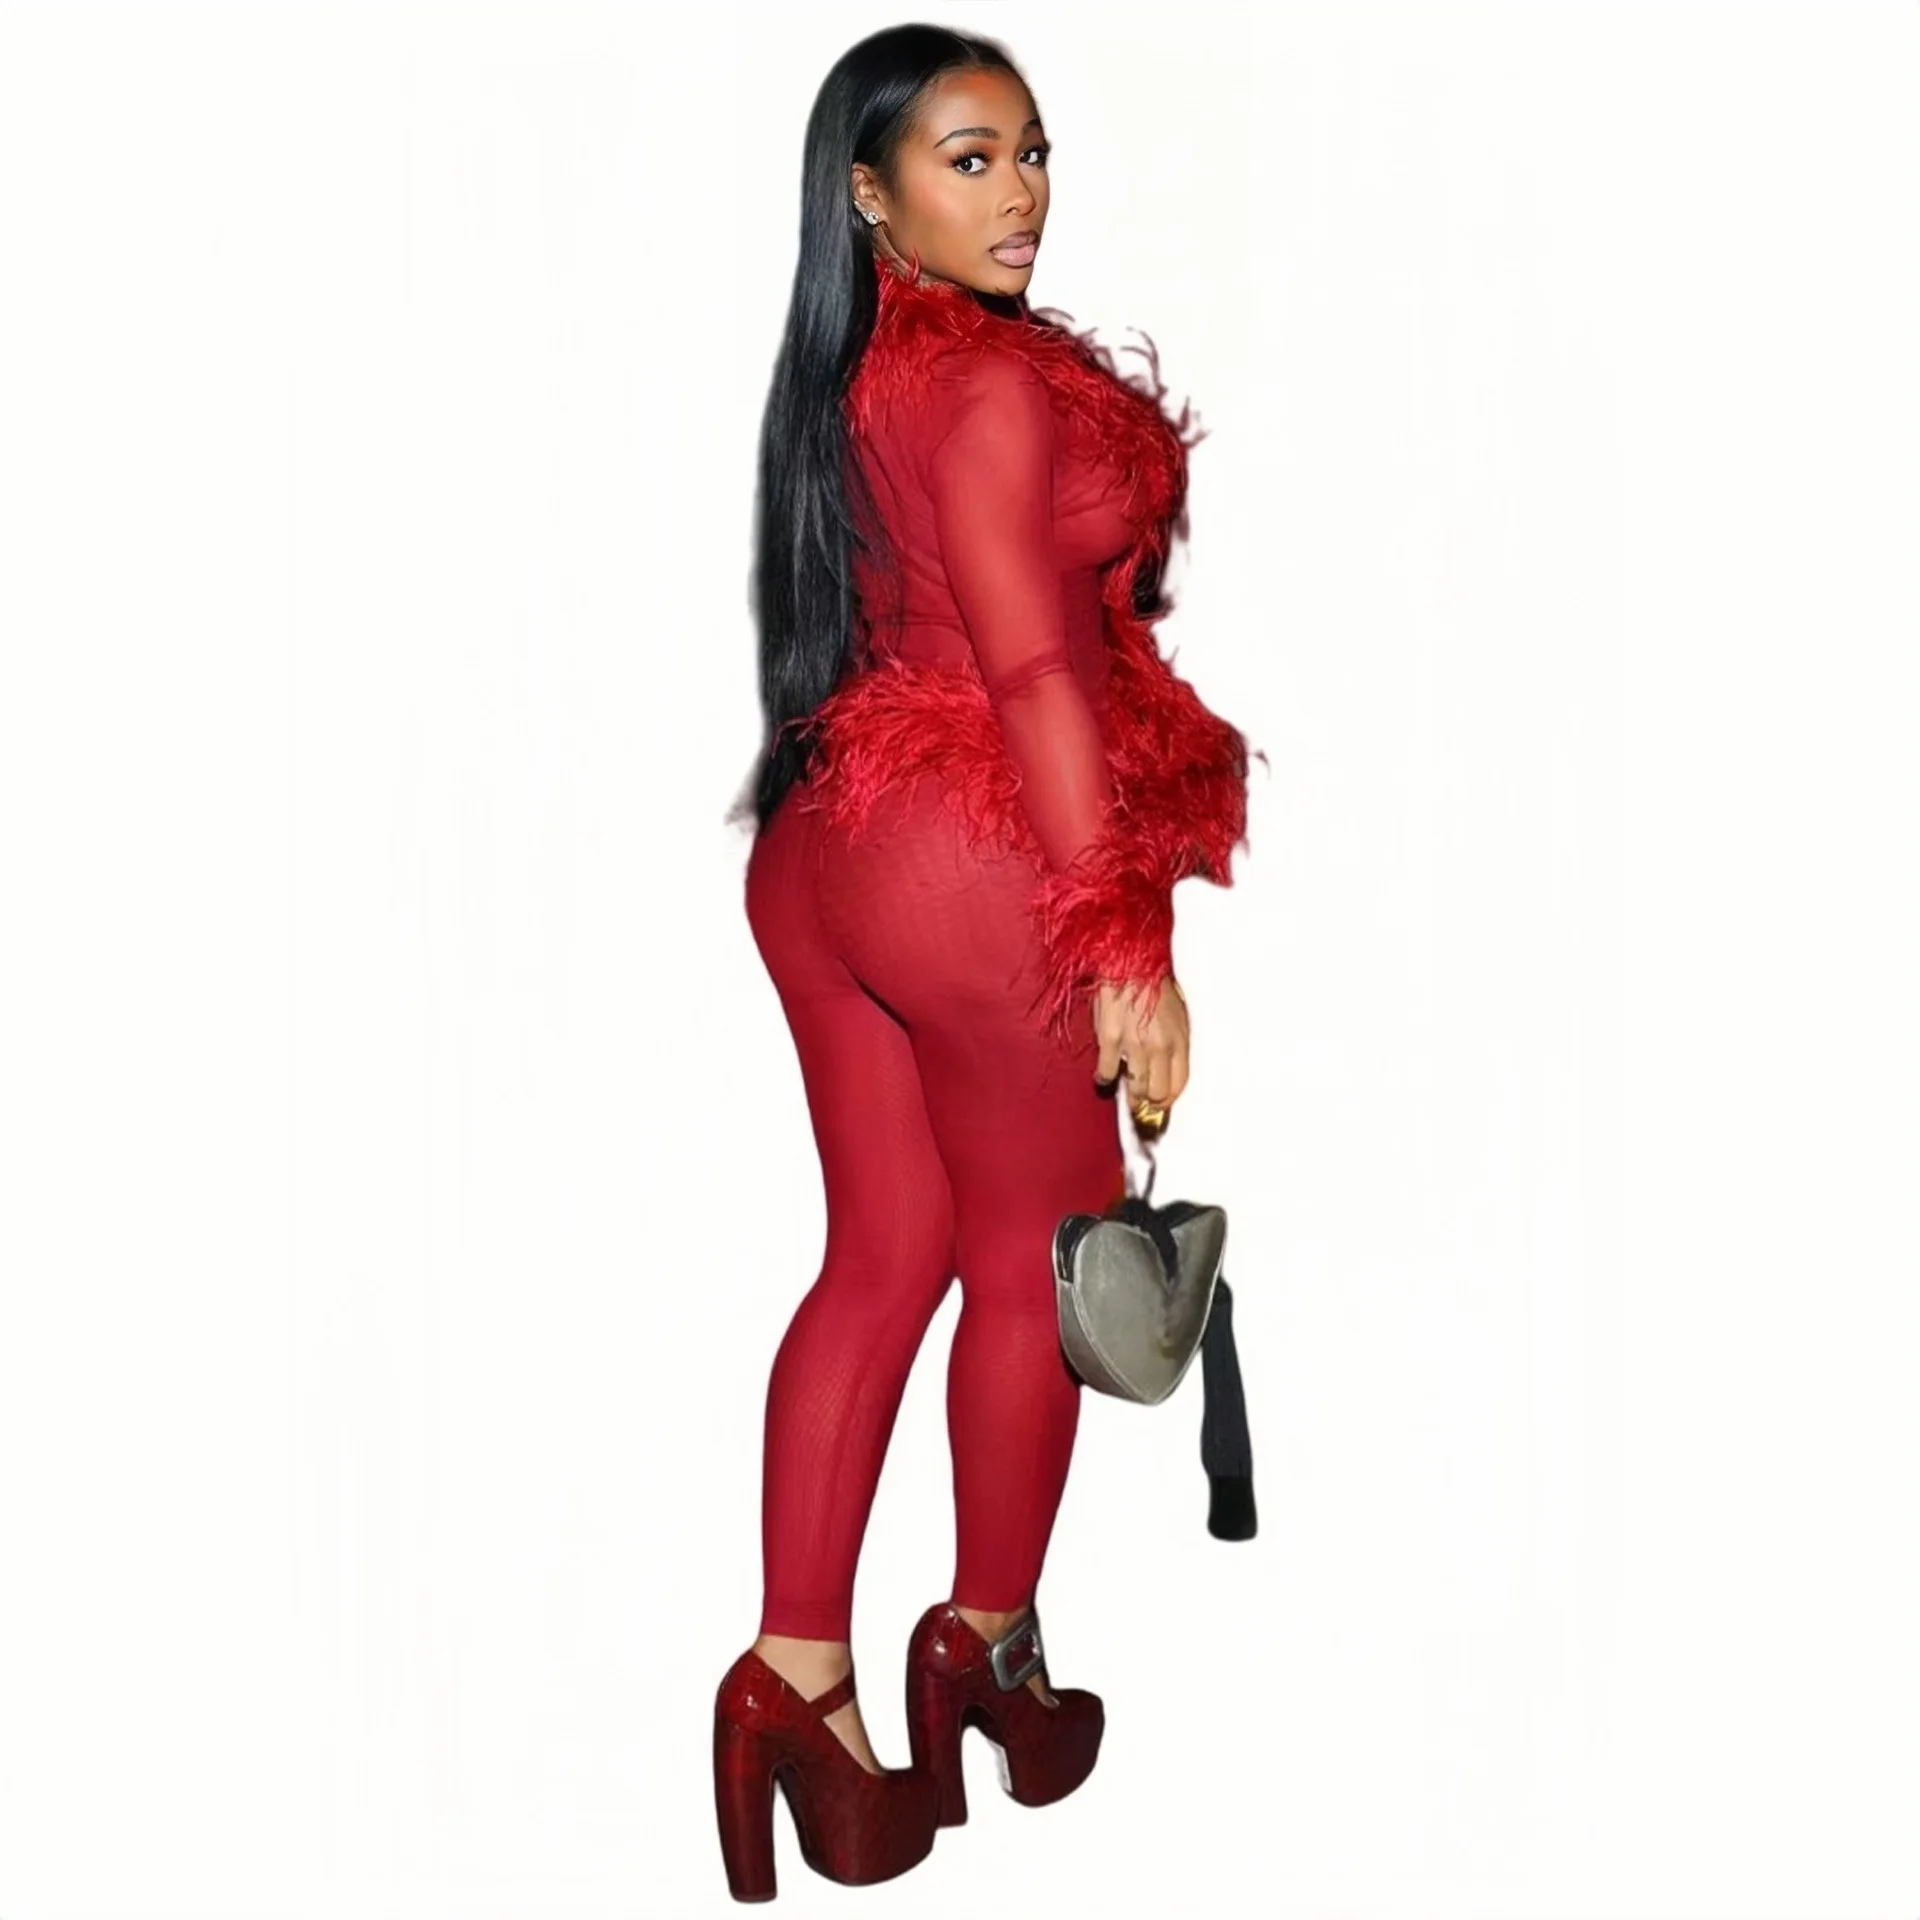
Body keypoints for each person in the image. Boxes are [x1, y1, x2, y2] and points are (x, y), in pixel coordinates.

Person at [711, 25, 1254, 1902]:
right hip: (968, 858)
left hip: (826, 840)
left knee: (883, 1256)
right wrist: (1127, 932)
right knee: (1034, 1254)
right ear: (870, 193)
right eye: (968, 160)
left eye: (1029, 154)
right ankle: (988, 1650)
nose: (1017, 193)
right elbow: (1032, 670)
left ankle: (794, 1686)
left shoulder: (860, 373)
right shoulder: (996, 393)